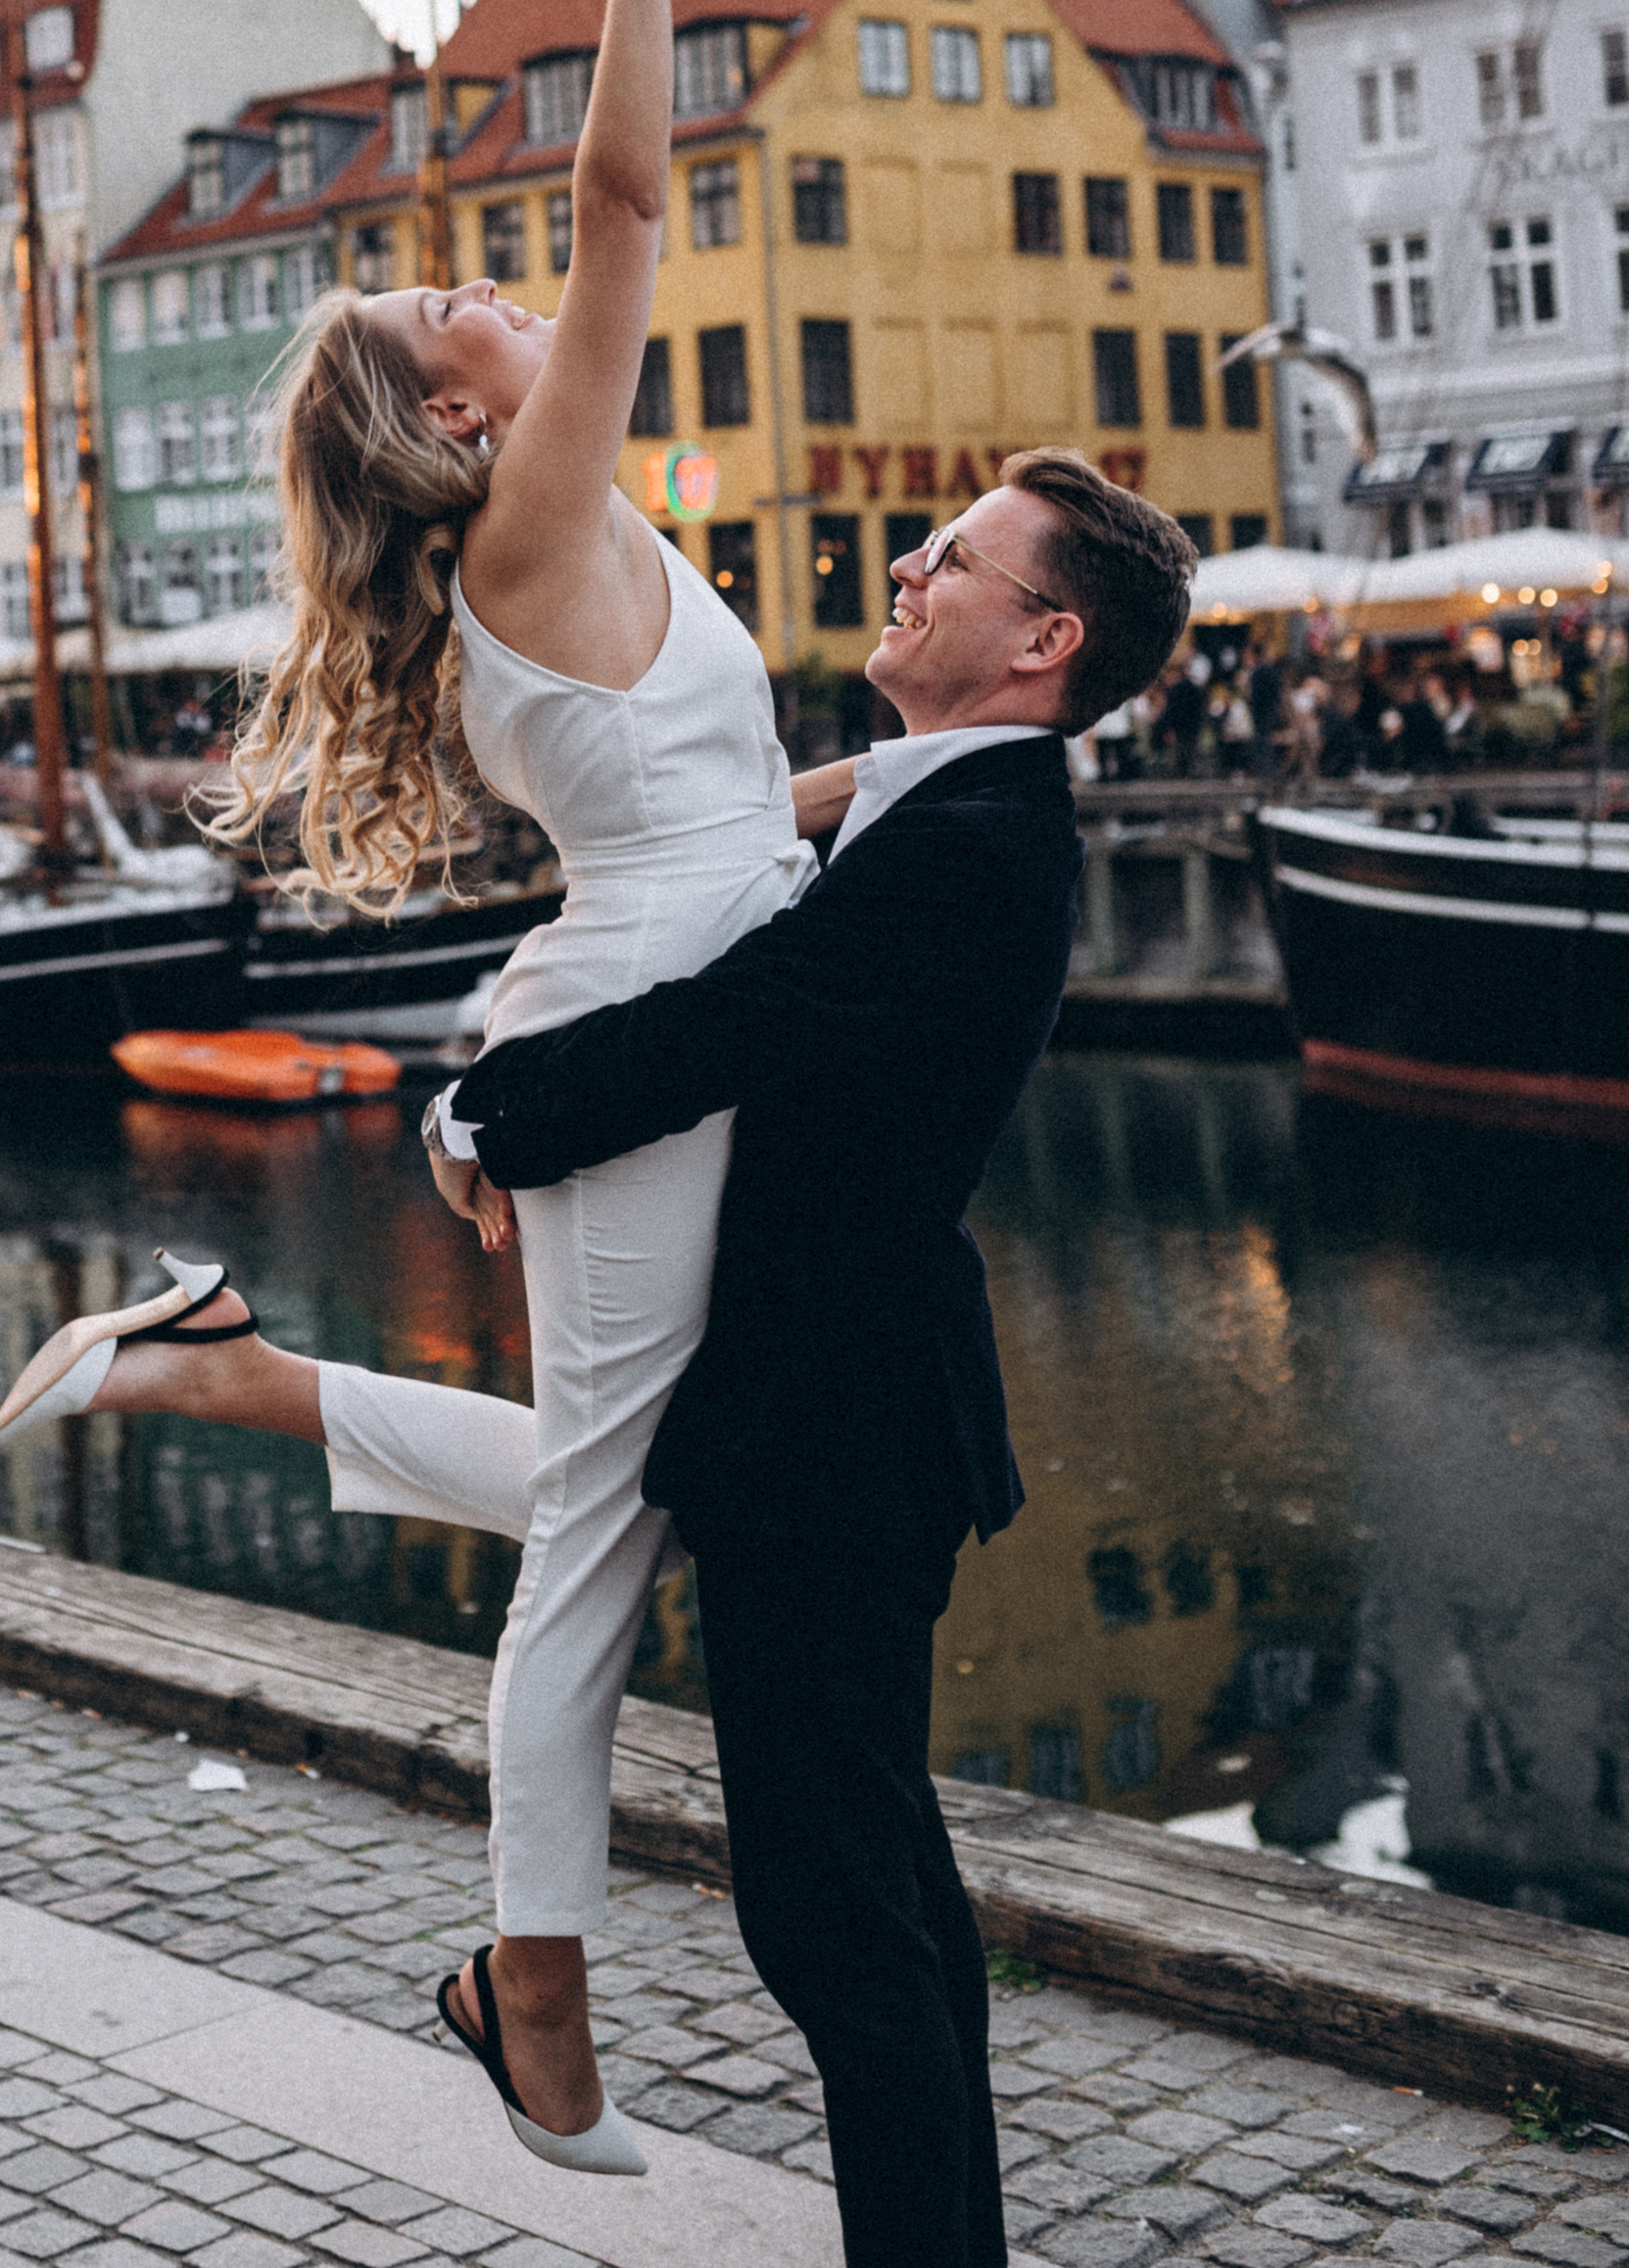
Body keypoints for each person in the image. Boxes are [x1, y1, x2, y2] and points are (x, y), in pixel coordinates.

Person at [0, 0, 855, 2174]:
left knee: (643, 1480)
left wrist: (874, 794)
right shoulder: (523, 531)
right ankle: (535, 1984)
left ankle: (238, 1377)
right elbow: (615, 198)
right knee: (606, 1519)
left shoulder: (561, 563)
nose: (486, 289)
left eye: (448, 273)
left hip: (690, 989)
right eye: (439, 304)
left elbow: (694, 808)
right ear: (450, 421)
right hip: (654, 1036)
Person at [438, 449, 1198, 2268]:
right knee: (888, 1901)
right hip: (842, 1417)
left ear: (1046, 638)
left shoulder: (974, 847)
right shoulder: (951, 806)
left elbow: (735, 1025)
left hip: (831, 1431)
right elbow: (780, 872)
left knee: (838, 1919)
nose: (913, 568)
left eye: (957, 558)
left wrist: (486, 1106)